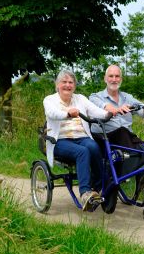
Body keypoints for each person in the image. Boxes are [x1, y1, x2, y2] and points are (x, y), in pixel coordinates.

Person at [43, 69, 110, 211]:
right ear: (57, 85)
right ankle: (85, 192)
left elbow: (95, 110)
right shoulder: (49, 100)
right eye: (64, 82)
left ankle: (98, 187)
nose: (67, 85)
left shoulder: (80, 99)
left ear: (74, 85)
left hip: (82, 137)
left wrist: (109, 113)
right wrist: (67, 113)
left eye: (71, 82)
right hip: (60, 140)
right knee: (82, 152)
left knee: (93, 146)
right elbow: (52, 113)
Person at [89, 64, 144, 173]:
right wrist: (118, 109)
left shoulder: (127, 97)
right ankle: (137, 165)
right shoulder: (95, 97)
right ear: (105, 79)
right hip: (105, 138)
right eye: (111, 76)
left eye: (117, 76)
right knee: (125, 134)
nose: (114, 79)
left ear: (121, 79)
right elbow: (105, 107)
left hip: (126, 138)